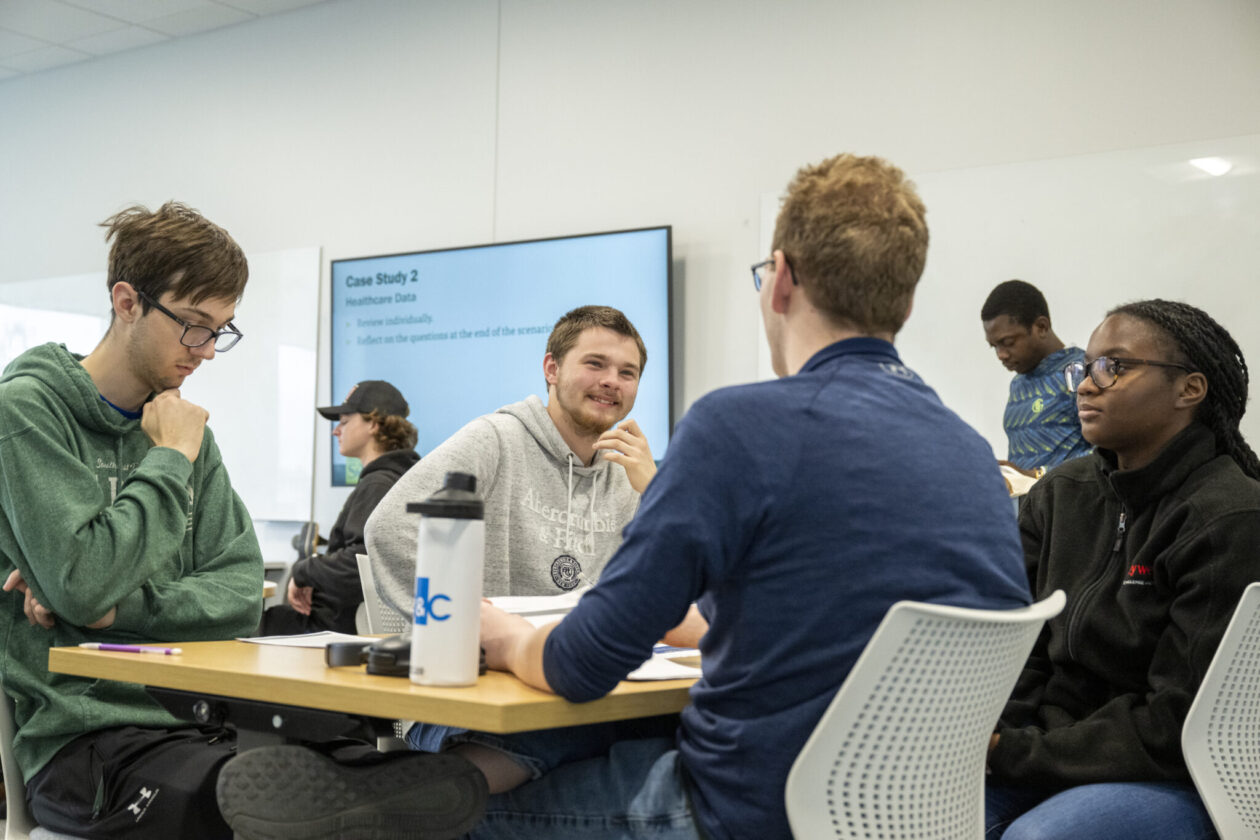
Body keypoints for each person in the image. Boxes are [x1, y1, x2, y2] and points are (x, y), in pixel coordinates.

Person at [217, 153, 1032, 840]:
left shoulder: (740, 427)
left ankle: (388, 803)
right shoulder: (970, 456)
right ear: (905, 301)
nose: (611, 383)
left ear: (780, 280)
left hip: (736, 811)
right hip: (907, 817)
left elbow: (579, 663)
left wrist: (504, 636)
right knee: (611, 735)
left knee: (450, 812)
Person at [0, 202, 261, 838]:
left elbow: (241, 594)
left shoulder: (186, 434)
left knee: (332, 770)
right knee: (241, 808)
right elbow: (85, 581)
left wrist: (115, 610)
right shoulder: (26, 411)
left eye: (220, 330)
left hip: (199, 721)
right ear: (127, 302)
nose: (207, 351)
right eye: (193, 326)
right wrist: (169, 459)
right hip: (83, 740)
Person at [985, 299, 1260, 840]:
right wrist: (1001, 740)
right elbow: (1017, 648)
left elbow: (1176, 720)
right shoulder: (1058, 496)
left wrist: (1020, 753)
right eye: (1087, 368)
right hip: (1049, 750)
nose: (1087, 385)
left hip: (1174, 770)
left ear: (1189, 389)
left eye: (1114, 366)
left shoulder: (1230, 518)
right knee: (896, 806)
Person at [366, 304, 657, 613]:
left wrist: (656, 490)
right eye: (595, 364)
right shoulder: (494, 439)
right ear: (552, 369)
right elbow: (389, 530)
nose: (612, 381)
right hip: (493, 643)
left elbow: (664, 582)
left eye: (627, 372)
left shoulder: (628, 473)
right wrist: (468, 619)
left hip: (583, 642)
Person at [261, 380, 420, 635]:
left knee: (253, 624)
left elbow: (362, 564)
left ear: (374, 424)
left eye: (344, 422)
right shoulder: (399, 480)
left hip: (332, 628)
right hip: (343, 622)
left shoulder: (378, 484)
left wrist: (303, 571)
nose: (336, 431)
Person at [982, 279, 1091, 472]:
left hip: (1070, 491)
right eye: (994, 346)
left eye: (1008, 342)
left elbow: (1107, 454)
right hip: (1028, 493)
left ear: (1041, 327)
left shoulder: (1079, 372)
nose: (1001, 355)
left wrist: (1039, 476)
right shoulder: (1018, 385)